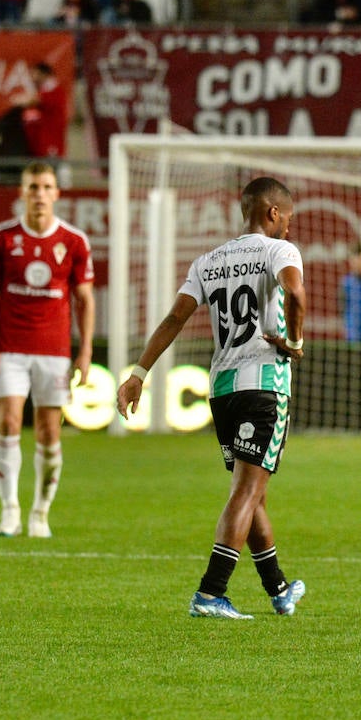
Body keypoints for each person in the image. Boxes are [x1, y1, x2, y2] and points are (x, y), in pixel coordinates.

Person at [116, 176, 308, 620]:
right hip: (263, 385)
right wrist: (294, 341)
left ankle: (278, 589)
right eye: (288, 219)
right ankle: (211, 592)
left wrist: (138, 373)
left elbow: (174, 317)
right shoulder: (280, 251)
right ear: (273, 213)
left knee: (250, 492)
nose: (289, 229)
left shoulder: (209, 261)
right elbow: (295, 292)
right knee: (247, 490)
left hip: (221, 390)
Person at [0, 162, 95, 539]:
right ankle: (10, 510)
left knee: (48, 432)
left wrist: (86, 350)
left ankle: (40, 513)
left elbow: (85, 299)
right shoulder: (1, 237)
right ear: (22, 192)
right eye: (33, 187)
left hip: (54, 351)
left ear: (57, 193)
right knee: (9, 422)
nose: (40, 194)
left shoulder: (74, 241)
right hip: (10, 348)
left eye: (46, 187)